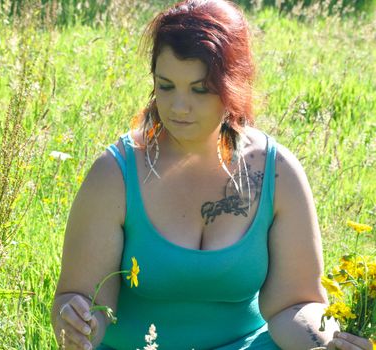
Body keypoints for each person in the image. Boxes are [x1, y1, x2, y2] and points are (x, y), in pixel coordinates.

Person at [50, 0, 373, 349]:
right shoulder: (115, 174)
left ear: (235, 84)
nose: (178, 107)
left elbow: (295, 304)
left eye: (200, 89)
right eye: (166, 85)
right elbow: (81, 299)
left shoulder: (276, 174)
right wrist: (78, 324)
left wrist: (323, 344)